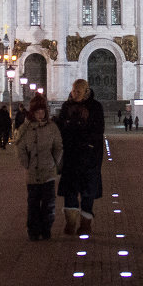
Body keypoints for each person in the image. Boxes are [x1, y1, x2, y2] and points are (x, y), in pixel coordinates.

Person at [57, 79, 104, 235]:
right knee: (70, 190)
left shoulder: (95, 107)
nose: (75, 93)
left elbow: (98, 131)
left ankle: (85, 223)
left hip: (89, 156)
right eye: (74, 90)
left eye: (78, 91)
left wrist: (89, 144)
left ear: (86, 91)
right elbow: (60, 128)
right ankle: (70, 221)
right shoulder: (66, 106)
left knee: (87, 191)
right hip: (71, 155)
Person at [14, 92, 64, 240]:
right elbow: (19, 148)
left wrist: (54, 162)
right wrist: (26, 164)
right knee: (33, 204)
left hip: (48, 172)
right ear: (32, 112)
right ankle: (34, 230)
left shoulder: (52, 127)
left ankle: (46, 228)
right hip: (32, 174)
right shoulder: (25, 129)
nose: (40, 114)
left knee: (49, 204)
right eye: (37, 111)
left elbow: (58, 146)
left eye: (42, 111)